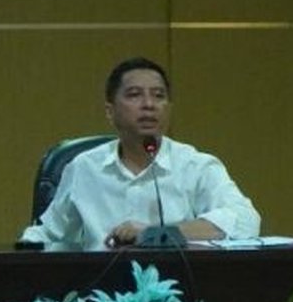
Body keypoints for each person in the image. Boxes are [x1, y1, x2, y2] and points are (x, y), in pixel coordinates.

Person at [20, 57, 261, 250]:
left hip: (176, 298)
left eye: (159, 96)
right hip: (100, 299)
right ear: (110, 111)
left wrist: (158, 234)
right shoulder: (84, 168)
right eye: (135, 95)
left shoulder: (195, 165)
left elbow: (245, 220)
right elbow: (49, 235)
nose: (149, 104)